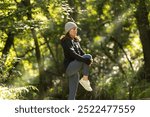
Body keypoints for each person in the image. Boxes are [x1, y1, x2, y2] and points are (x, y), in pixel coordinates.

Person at [60, 21, 93, 100]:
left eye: (76, 29)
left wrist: (89, 60)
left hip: (74, 70)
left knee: (72, 94)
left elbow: (82, 53)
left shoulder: (76, 41)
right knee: (87, 57)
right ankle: (85, 80)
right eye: (73, 29)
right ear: (68, 31)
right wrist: (86, 60)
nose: (75, 31)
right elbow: (72, 54)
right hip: (69, 68)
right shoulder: (66, 41)